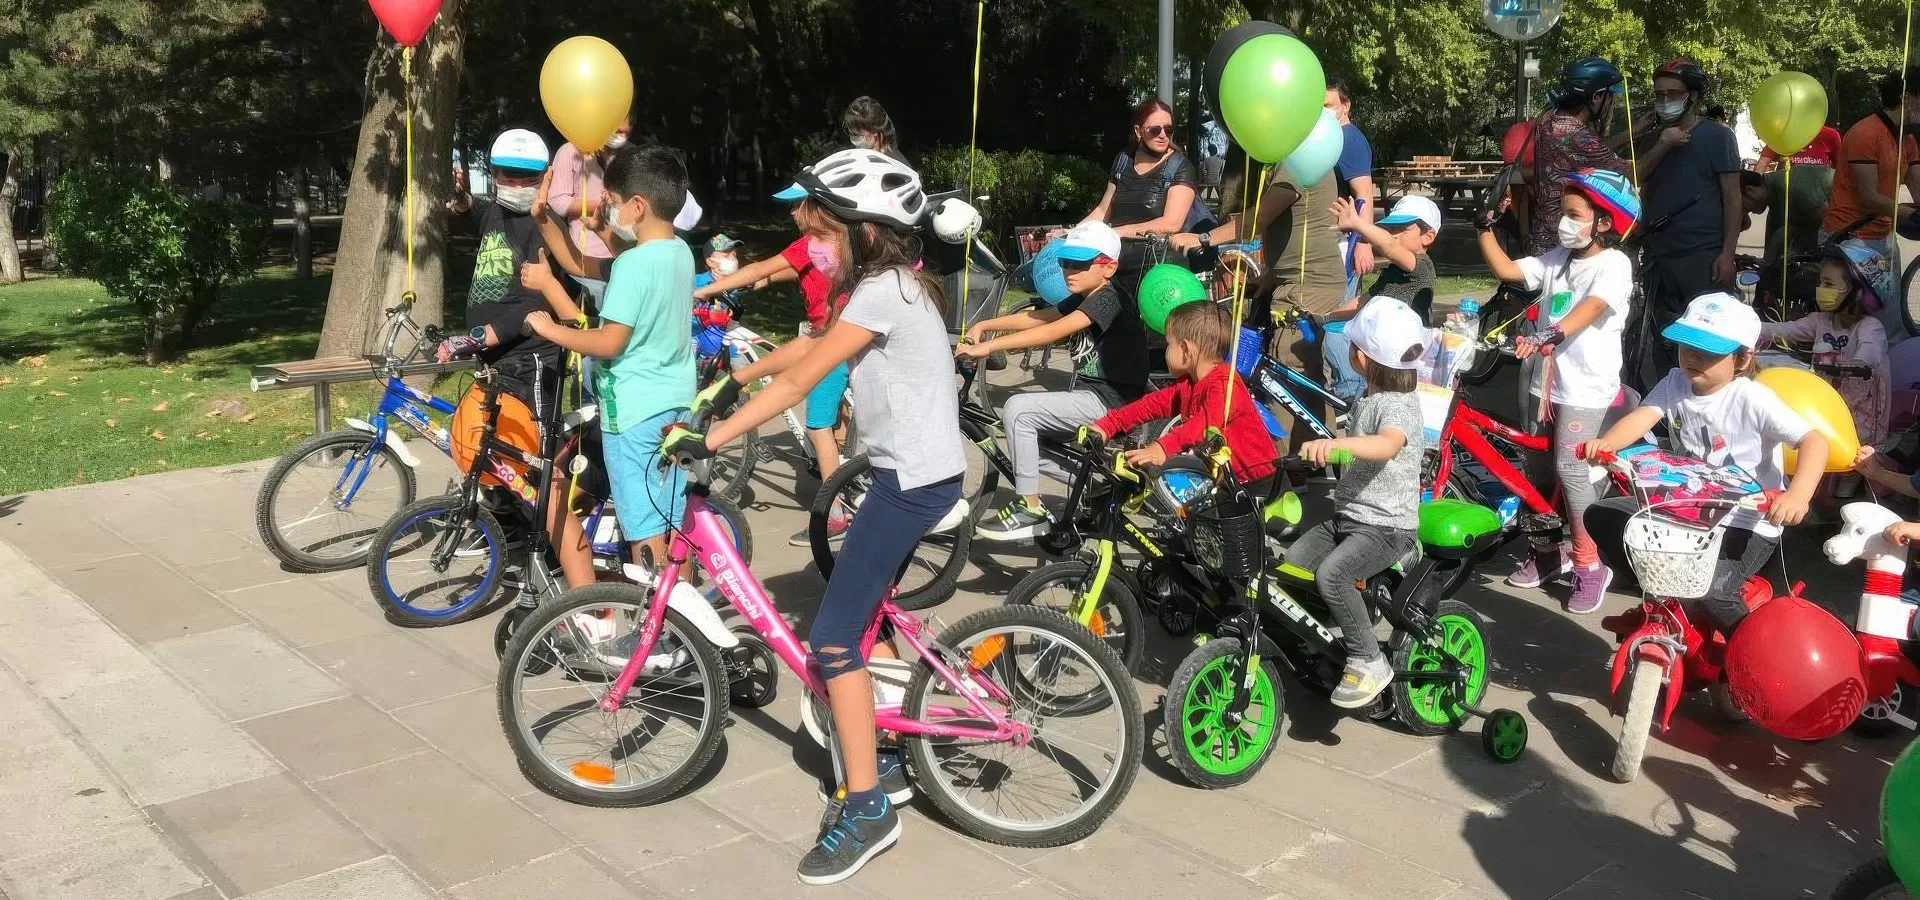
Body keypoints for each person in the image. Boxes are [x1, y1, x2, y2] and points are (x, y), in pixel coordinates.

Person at [669, 149, 963, 885]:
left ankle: (867, 807)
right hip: (912, 472)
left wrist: (712, 436)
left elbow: (806, 375)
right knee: (864, 618)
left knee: (831, 640)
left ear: (866, 232)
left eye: (825, 230)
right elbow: (805, 345)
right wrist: (730, 381)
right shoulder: (894, 285)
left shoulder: (880, 294)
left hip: (910, 483)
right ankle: (884, 751)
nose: (815, 245)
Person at [1581, 294, 1827, 633]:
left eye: (1709, 351)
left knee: (1714, 593)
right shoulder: (1675, 382)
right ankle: (1659, 606)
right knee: (1609, 521)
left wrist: (1797, 495)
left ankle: (1743, 652)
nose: (1693, 356)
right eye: (1686, 345)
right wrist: (1608, 444)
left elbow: (1814, 440)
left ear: (1742, 359)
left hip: (1748, 519)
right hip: (1688, 506)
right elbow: (1643, 417)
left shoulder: (1752, 399)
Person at [520, 144, 696, 572]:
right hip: (673, 404)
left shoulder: (635, 264)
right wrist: (573, 225)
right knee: (672, 521)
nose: (608, 209)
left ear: (638, 205)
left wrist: (551, 329)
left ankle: (656, 622)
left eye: (614, 204)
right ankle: (686, 613)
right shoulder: (680, 253)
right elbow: (596, 264)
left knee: (643, 526)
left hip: (633, 413)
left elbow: (611, 342)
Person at [438, 127, 597, 592]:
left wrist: (480, 335)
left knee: (532, 466)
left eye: (527, 176)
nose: (516, 182)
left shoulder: (543, 227)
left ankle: (562, 563)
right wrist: (463, 199)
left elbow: (543, 304)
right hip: (494, 362)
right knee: (489, 453)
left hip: (531, 365)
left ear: (544, 178)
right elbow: (476, 216)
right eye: (507, 173)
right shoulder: (496, 213)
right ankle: (513, 535)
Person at [1478, 169, 1639, 612]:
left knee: (1571, 472)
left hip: (1584, 389)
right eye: (1563, 213)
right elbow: (1508, 270)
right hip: (1542, 385)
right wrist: (1484, 228)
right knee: (1536, 473)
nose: (1563, 222)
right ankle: (1547, 554)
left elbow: (1590, 308)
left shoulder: (1613, 265)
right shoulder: (1556, 259)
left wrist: (1552, 333)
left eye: (1574, 214)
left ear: (1603, 223)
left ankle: (1589, 564)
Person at [957, 221, 1148, 540]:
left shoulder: (1108, 298)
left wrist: (989, 346)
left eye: (1080, 263)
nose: (1068, 270)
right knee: (1025, 440)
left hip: (1111, 403)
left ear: (1109, 267)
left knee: (1019, 410)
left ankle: (1030, 508)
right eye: (1065, 261)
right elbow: (1039, 316)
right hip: (1093, 396)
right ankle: (1100, 484)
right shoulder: (1087, 294)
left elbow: (1053, 331)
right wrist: (986, 324)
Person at [1288, 297, 1429, 708]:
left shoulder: (1397, 405)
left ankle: (1369, 660)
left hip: (1387, 528)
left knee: (1332, 575)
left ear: (1362, 358)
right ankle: (1328, 632)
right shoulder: (1368, 398)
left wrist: (1337, 445)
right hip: (1350, 518)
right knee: (1295, 561)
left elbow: (1387, 444)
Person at [695, 188, 856, 545]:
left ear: (814, 208)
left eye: (797, 206)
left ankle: (836, 514)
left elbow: (761, 267)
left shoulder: (816, 240)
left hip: (829, 341)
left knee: (817, 428)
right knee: (825, 418)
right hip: (826, 334)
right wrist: (763, 281)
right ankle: (846, 469)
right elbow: (785, 270)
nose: (792, 213)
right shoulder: (826, 243)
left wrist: (705, 291)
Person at [1084, 300, 1280, 492]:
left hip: (1259, 482)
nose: (1166, 350)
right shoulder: (1189, 384)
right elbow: (1149, 405)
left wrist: (1162, 448)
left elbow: (1205, 424)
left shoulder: (1226, 385)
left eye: (1169, 344)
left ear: (1185, 350)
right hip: (1227, 481)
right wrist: (1109, 424)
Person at [1633, 58, 1744, 376]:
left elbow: (1732, 198)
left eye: (1673, 94)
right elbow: (1633, 176)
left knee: (1705, 339)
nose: (1665, 101)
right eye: (1659, 95)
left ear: (1694, 96)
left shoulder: (1718, 137)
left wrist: (1727, 253)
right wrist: (1655, 140)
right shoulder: (1655, 138)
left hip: (1703, 256)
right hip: (1659, 253)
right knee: (1662, 338)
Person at [1821, 66, 1920, 341]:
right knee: (1850, 325)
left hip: (1884, 240)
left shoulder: (1908, 140)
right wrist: (1906, 214)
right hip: (1849, 239)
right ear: (1908, 98)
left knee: (1889, 325)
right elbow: (1869, 197)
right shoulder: (1866, 133)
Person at [1760, 244, 1892, 448]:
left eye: (1829, 284)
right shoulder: (1821, 320)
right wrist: (1747, 325)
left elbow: (1868, 355)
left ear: (1857, 292)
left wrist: (1856, 363)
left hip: (1861, 428)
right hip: (1827, 410)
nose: (1821, 290)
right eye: (1821, 283)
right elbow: (1785, 330)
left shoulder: (1870, 328)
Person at [1256, 159, 1349, 447]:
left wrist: (1204, 237)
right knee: (1309, 375)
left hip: (1306, 288)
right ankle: (1321, 456)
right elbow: (1297, 225)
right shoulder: (1302, 156)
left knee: (1283, 372)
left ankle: (1275, 468)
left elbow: (1258, 218)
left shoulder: (1298, 159)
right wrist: (1270, 275)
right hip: (1303, 282)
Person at [1318, 194, 1441, 404]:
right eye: (1391, 229)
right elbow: (1361, 302)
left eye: (1403, 229)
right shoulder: (1393, 273)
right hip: (1381, 360)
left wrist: (1357, 223)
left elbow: (1390, 248)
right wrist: (1323, 317)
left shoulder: (1421, 267)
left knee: (1395, 410)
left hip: (1406, 363)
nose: (1394, 235)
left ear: (1427, 236)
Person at [1081, 98, 1199, 284]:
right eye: (1155, 130)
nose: (1163, 135)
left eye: (1168, 130)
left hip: (1161, 271)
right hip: (1115, 267)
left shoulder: (1180, 166)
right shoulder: (1123, 160)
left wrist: (1115, 233)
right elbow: (1103, 211)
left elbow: (1171, 223)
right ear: (1138, 131)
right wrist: (1075, 233)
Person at [1525, 57, 1629, 257]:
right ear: (1597, 96)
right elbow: (1629, 173)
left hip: (1542, 236)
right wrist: (1665, 143)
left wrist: (1638, 129)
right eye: (1611, 96)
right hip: (1568, 245)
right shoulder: (1577, 134)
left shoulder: (1548, 119)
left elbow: (1592, 148)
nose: (1613, 103)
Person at [546, 113, 634, 307]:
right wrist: (603, 206)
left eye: (624, 128)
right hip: (587, 261)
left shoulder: (632, 156)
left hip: (628, 259)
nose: (620, 132)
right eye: (614, 127)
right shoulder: (571, 151)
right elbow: (558, 203)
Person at [1326, 77, 1378, 295]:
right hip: (1331, 241)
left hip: (1344, 243)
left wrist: (1364, 242)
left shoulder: (1349, 139)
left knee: (1339, 314)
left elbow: (1364, 192)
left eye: (1328, 106)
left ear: (1345, 106)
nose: (1323, 112)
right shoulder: (1332, 138)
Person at [1757, 124, 1843, 173]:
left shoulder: (1830, 135)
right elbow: (1761, 166)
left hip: (1820, 199)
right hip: (1786, 196)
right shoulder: (1781, 134)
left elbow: (1841, 172)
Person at [843, 96, 903, 161]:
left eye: (854, 133)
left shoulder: (892, 160)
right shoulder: (863, 151)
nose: (851, 135)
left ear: (873, 132)